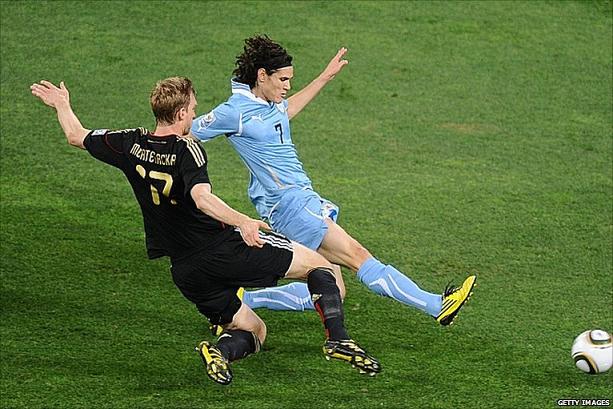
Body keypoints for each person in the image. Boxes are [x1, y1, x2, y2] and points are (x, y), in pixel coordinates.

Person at [30, 77, 381, 385]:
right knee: (319, 266)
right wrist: (243, 221)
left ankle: (220, 353)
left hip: (186, 271)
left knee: (253, 330)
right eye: (193, 110)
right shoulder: (188, 149)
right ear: (181, 113)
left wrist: (62, 104)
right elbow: (202, 198)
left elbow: (76, 136)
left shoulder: (129, 143)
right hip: (223, 249)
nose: (195, 115)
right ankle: (338, 339)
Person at [191, 35, 476, 327]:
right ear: (262, 76)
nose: (288, 87)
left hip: (300, 200)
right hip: (291, 206)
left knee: (334, 290)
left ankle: (241, 300)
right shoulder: (234, 112)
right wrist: (168, 161)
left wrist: (324, 77)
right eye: (283, 80)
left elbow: (285, 113)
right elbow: (188, 132)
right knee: (357, 255)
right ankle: (436, 305)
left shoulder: (268, 104)